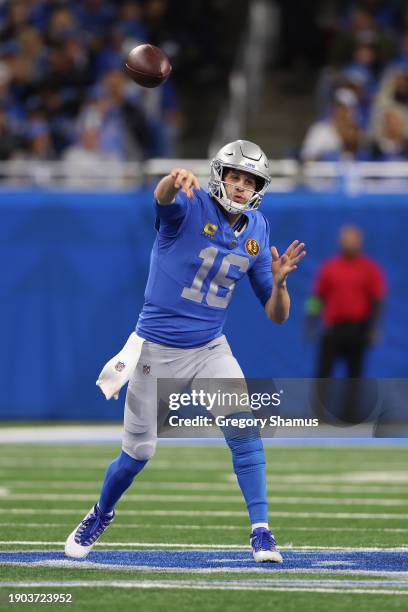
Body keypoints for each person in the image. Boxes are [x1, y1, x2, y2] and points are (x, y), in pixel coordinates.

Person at [64, 139, 306, 563]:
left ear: (259, 187)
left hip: (209, 347)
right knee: (138, 453)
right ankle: (100, 513)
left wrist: (282, 284)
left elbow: (277, 315)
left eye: (249, 181)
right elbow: (162, 201)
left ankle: (262, 531)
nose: (239, 186)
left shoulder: (258, 229)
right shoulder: (191, 204)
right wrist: (172, 182)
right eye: (233, 176)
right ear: (219, 176)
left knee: (244, 431)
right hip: (155, 350)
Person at [306, 224, 386, 422]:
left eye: (353, 239)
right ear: (340, 242)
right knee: (324, 372)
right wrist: (311, 321)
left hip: (358, 329)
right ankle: (319, 414)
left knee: (354, 375)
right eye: (346, 239)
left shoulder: (369, 268)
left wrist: (375, 328)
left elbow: (377, 300)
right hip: (333, 328)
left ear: (360, 242)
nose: (349, 243)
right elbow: (317, 298)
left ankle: (350, 416)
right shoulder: (329, 267)